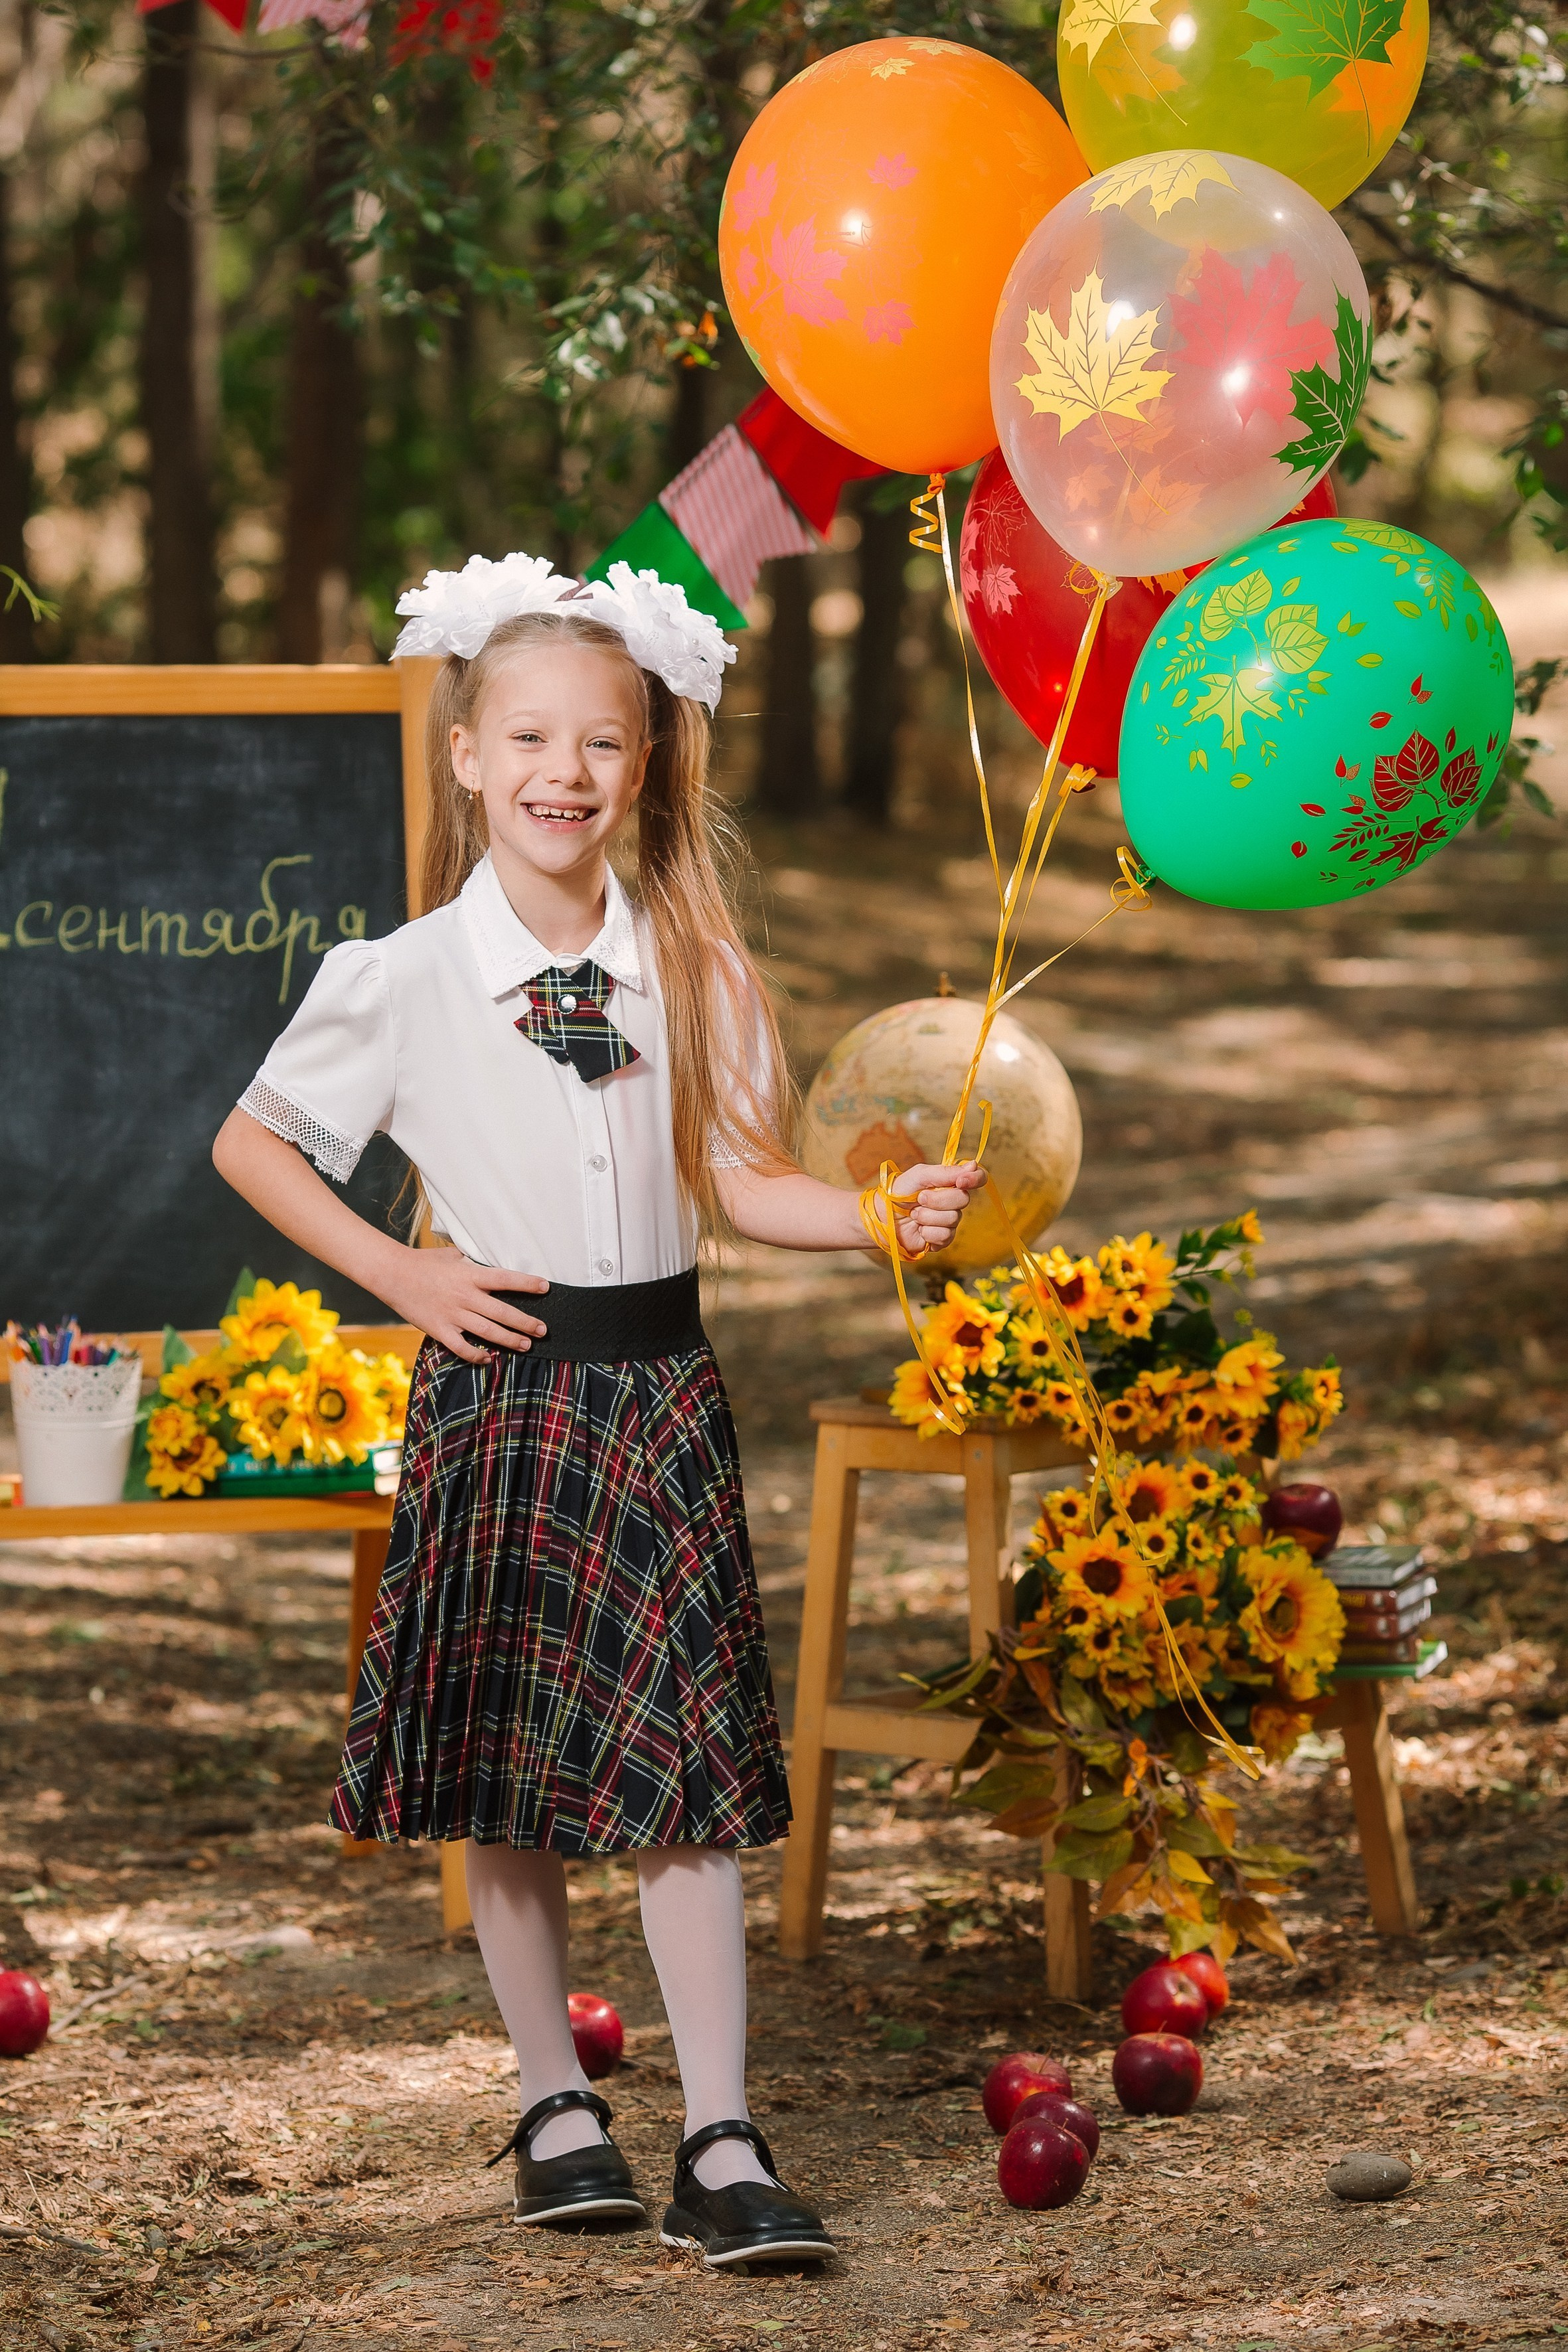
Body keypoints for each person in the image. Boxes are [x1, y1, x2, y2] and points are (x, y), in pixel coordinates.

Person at [212, 551, 982, 2268]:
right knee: (509, 1771)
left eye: (605, 745)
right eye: (532, 739)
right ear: (468, 756)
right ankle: (555, 2098)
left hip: (657, 1400)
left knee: (688, 1776)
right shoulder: (398, 976)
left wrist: (870, 1214)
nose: (567, 774)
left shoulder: (697, 970)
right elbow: (251, 1147)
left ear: (649, 766)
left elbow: (739, 1180)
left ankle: (718, 2133)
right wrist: (402, 1277)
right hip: (498, 1399)